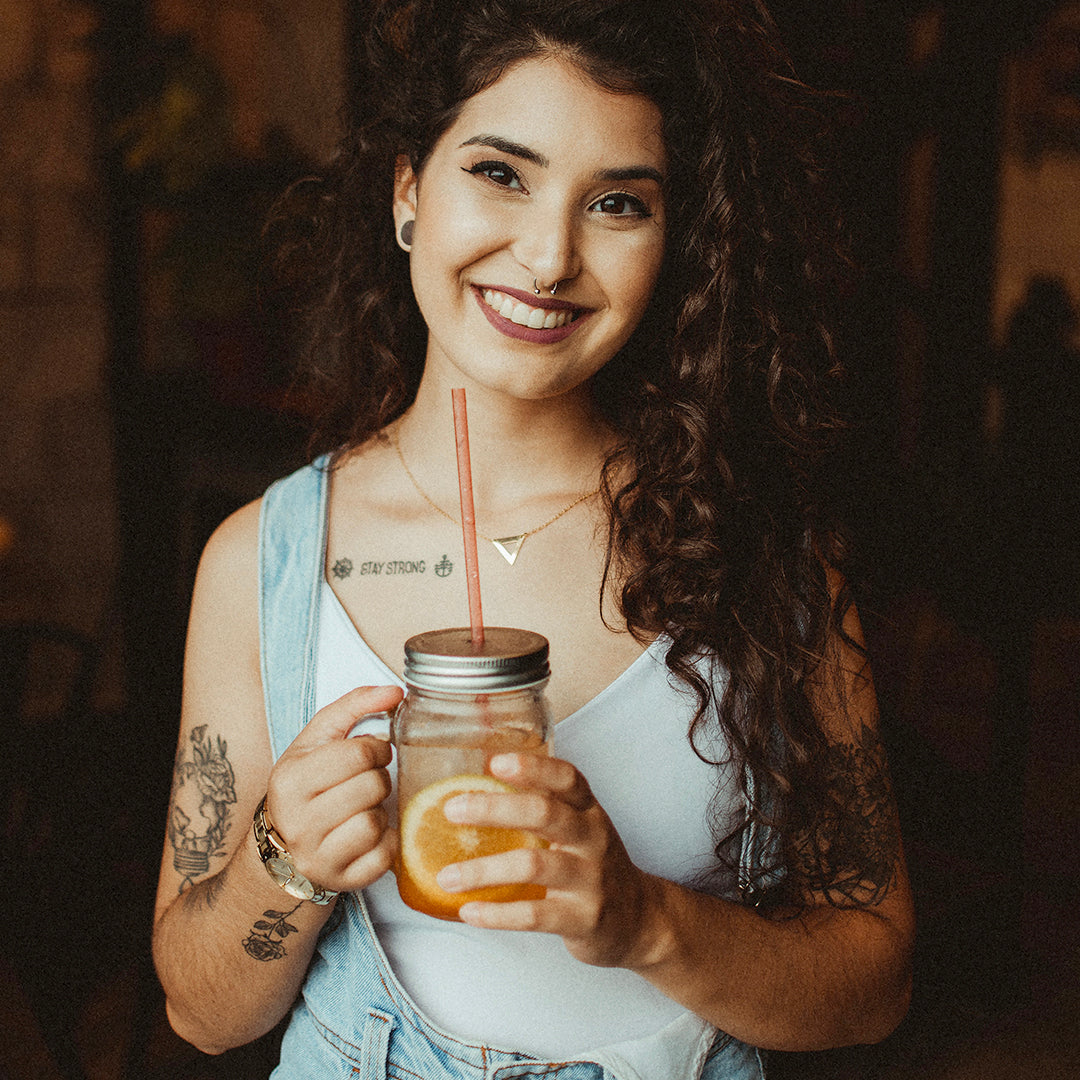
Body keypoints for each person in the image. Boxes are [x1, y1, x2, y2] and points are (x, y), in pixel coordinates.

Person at [151, 0, 914, 1076]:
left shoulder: (766, 558)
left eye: (616, 202)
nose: (549, 256)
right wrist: (285, 860)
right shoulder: (261, 563)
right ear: (409, 189)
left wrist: (647, 921)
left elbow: (876, 985)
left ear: (674, 239)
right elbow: (201, 1011)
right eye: (500, 173)